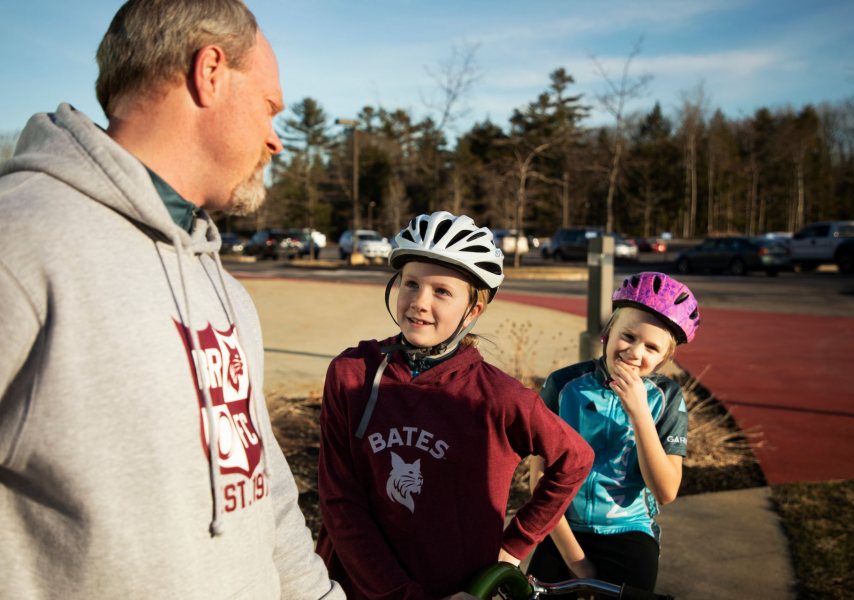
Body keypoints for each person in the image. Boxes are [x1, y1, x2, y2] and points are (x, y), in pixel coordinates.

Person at [0, 1, 342, 598]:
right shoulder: (22, 241)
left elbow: (265, 496)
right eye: (269, 107)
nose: (275, 139)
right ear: (209, 71)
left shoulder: (224, 289)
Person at [315, 211, 594, 599]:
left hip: (455, 590)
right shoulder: (351, 374)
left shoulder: (499, 397)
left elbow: (574, 459)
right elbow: (338, 499)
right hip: (356, 587)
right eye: (410, 283)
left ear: (473, 310)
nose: (419, 303)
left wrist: (514, 547)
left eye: (442, 291)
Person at [527, 272, 700, 593]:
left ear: (665, 358)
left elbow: (665, 491)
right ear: (608, 332)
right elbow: (538, 478)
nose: (635, 353)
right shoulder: (564, 385)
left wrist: (639, 413)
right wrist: (577, 562)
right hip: (563, 526)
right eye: (629, 336)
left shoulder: (666, 397)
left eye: (651, 347)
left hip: (629, 530)